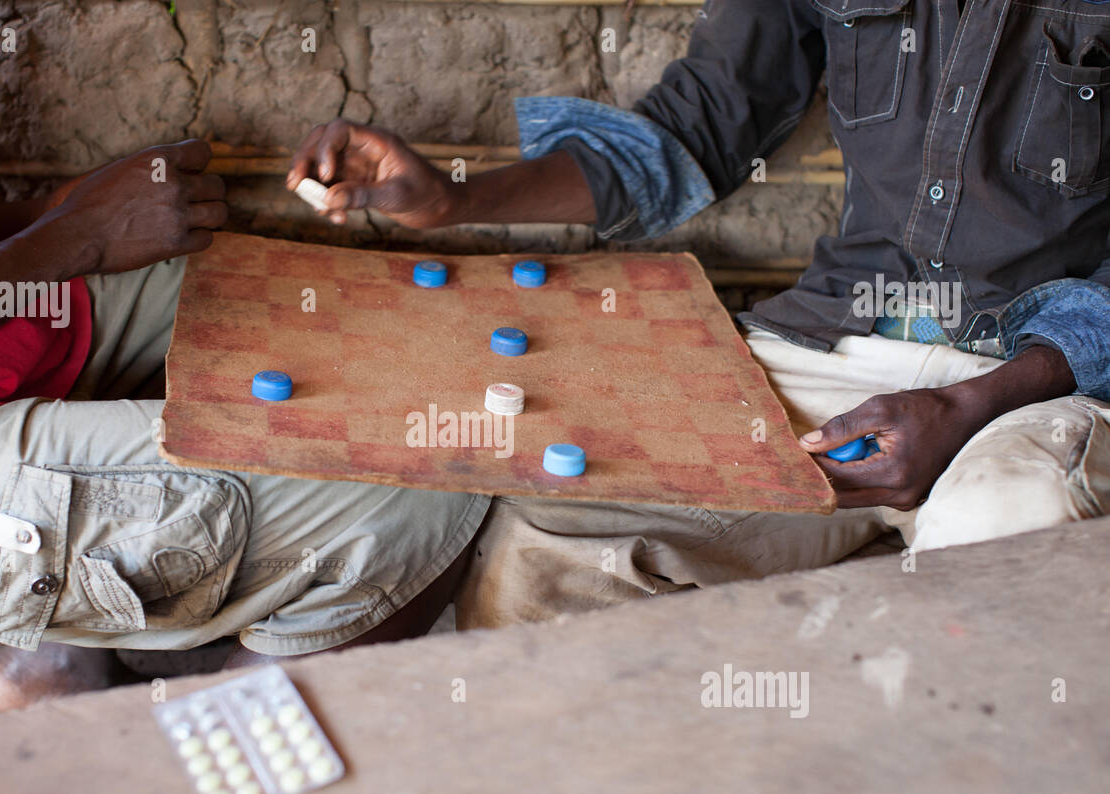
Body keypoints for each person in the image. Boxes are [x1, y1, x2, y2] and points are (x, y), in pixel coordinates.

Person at [287, 0, 1110, 628]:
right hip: (832, 346)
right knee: (549, 542)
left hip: (1047, 373)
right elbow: (695, 130)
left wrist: (977, 401)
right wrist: (455, 199)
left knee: (1008, 537)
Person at [0, 0, 488, 710]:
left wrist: (51, 219)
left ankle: (52, 674)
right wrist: (75, 237)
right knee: (427, 478)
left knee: (287, 312)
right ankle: (229, 746)